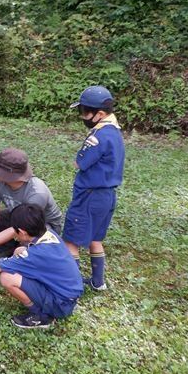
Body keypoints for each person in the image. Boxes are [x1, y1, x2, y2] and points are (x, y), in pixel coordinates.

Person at [63, 85, 125, 291]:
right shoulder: (115, 132)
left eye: (84, 112)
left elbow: (79, 163)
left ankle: (70, 287)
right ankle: (98, 282)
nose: (82, 117)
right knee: (95, 239)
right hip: (107, 197)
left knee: (71, 241)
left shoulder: (98, 136)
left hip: (88, 196)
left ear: (99, 114)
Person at [0, 204, 83, 329]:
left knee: (6, 277)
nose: (14, 235)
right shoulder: (49, 234)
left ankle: (41, 316)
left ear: (22, 232)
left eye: (15, 231)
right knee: (20, 249)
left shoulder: (36, 254)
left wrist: (4, 260)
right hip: (69, 294)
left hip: (61, 304)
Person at [0, 148, 63, 262]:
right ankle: (6, 252)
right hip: (17, 218)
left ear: (10, 175)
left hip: (42, 226)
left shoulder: (37, 192)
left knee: (24, 254)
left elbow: (20, 227)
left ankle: (20, 256)